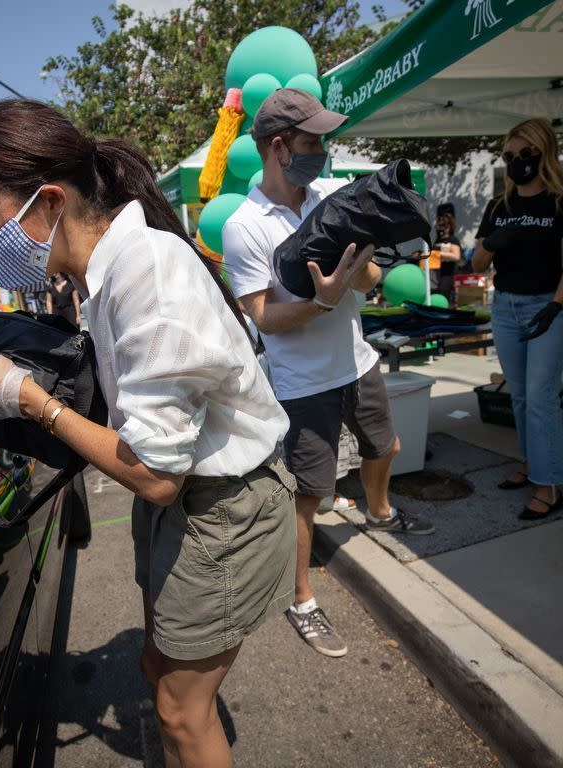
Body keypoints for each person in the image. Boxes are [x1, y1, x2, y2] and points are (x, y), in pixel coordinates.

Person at [0, 99, 296, 768]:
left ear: (47, 204)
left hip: (221, 508)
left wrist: (29, 401)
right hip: (188, 503)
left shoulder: (147, 275)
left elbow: (155, 475)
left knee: (179, 714)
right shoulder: (102, 275)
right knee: (156, 661)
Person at [222, 88, 435, 659]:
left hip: (356, 360)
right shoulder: (244, 227)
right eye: (313, 140)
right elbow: (264, 316)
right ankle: (301, 597)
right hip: (302, 382)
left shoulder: (332, 197)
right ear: (278, 146)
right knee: (309, 495)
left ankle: (380, 511)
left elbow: (365, 281)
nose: (322, 149)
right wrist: (319, 302)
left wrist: (358, 274)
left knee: (385, 445)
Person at [472, 117, 563, 520]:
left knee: (542, 397)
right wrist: (493, 242)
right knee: (522, 395)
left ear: (544, 153)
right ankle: (532, 464)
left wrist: (556, 306)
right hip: (505, 306)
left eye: (525, 154)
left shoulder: (559, 201)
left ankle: (549, 483)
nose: (517, 162)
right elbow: (476, 260)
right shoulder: (499, 206)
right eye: (509, 156)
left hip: (548, 305)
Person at [432, 202, 462, 303]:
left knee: (445, 299)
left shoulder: (453, 240)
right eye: (440, 223)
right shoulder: (437, 241)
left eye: (444, 224)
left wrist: (438, 254)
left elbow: (456, 256)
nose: (442, 226)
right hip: (436, 276)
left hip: (448, 276)